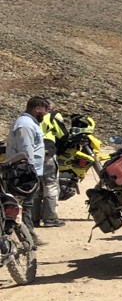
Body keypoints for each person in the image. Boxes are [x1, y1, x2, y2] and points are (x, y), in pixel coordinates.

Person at [4, 96, 50, 230]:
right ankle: (28, 236)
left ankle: (28, 235)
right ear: (38, 109)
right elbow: (26, 151)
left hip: (29, 171)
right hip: (24, 172)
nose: (46, 114)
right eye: (45, 110)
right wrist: (30, 171)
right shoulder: (25, 125)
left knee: (28, 205)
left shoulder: (30, 123)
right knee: (24, 206)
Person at [37, 105, 67, 227]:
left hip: (33, 152)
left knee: (37, 185)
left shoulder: (29, 116)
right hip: (47, 151)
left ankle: (34, 218)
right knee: (51, 184)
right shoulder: (53, 115)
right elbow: (63, 135)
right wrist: (58, 150)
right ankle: (50, 218)